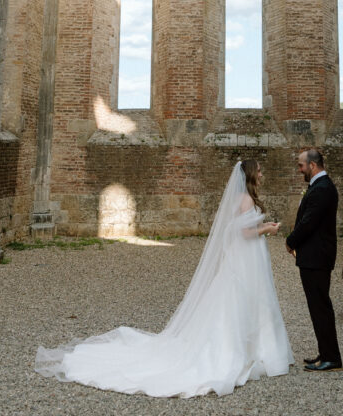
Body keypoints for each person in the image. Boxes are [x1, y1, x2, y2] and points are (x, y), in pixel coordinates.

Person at [35, 160, 293, 397]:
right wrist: (265, 228)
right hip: (245, 258)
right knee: (242, 300)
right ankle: (243, 351)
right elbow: (244, 232)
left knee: (238, 300)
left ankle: (250, 348)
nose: (262, 174)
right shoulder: (246, 199)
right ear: (250, 174)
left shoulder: (242, 197)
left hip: (243, 258)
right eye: (259, 170)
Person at [286, 148, 342, 372]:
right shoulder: (319, 187)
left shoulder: (322, 189)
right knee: (318, 307)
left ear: (313, 165)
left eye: (301, 165)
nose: (299, 169)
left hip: (317, 257)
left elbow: (309, 222)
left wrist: (291, 241)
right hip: (314, 256)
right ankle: (325, 353)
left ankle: (332, 358)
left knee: (320, 308)